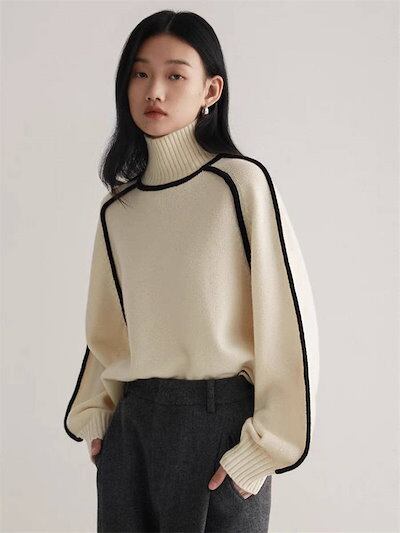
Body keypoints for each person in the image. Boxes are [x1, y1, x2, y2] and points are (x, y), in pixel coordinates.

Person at [63, 9, 320, 533]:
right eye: (140, 73)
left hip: (219, 429)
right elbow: (108, 330)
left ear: (211, 90)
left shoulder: (239, 185)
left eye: (175, 75)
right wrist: (98, 418)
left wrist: (265, 448)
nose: (154, 90)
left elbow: (288, 324)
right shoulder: (119, 209)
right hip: (132, 432)